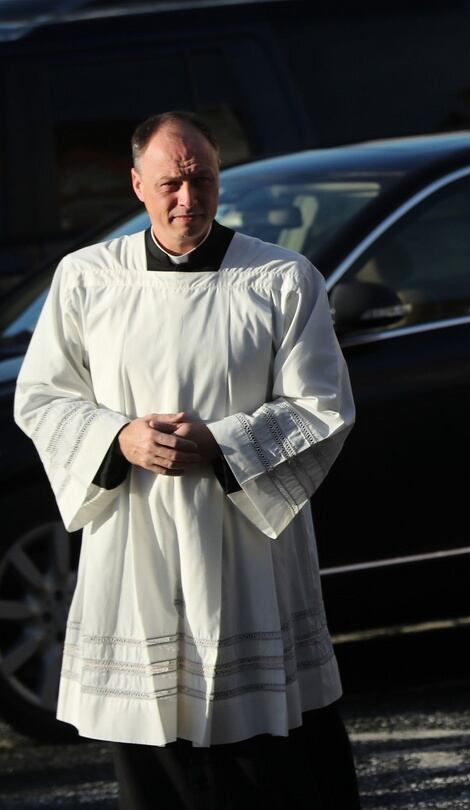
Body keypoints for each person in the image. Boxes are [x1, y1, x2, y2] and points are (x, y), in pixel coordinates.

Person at [13, 111, 359, 809]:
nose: (188, 200)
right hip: (134, 543)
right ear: (137, 183)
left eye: (202, 181)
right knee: (153, 761)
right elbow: (43, 398)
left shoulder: (281, 280)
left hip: (244, 550)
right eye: (171, 183)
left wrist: (222, 445)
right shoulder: (86, 280)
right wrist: (119, 439)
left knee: (269, 759)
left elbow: (323, 407)